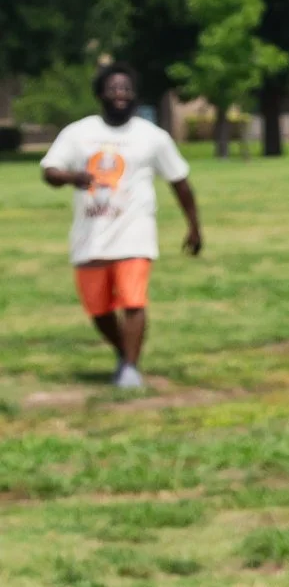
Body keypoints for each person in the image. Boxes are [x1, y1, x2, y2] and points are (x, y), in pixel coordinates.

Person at [39, 64, 202, 391]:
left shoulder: (152, 137)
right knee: (98, 309)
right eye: (113, 89)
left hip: (135, 232)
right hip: (91, 234)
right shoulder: (78, 133)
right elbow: (50, 171)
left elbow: (179, 182)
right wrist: (73, 177)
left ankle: (129, 368)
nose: (120, 95)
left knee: (133, 301)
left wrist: (194, 227)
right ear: (100, 93)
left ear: (134, 95)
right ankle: (123, 352)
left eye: (126, 89)